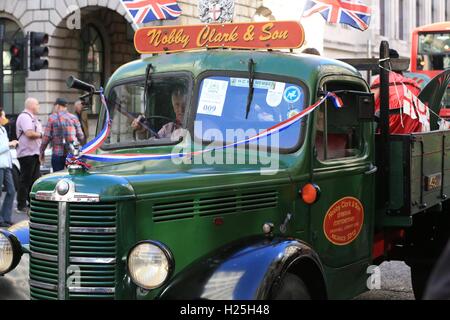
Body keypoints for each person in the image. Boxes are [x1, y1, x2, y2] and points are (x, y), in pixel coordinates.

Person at [370, 49, 425, 134]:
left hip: (387, 132)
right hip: (413, 132)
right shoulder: (413, 84)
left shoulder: (380, 81)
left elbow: (368, 105)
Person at [40, 98, 85, 172]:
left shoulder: (52, 118)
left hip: (57, 154)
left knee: (58, 177)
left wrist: (41, 151)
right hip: (72, 153)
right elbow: (81, 136)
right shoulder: (73, 118)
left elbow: (46, 137)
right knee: (73, 176)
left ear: (57, 106)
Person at [15, 98, 43, 213]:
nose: (39, 106)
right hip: (27, 154)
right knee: (25, 180)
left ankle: (32, 204)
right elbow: (29, 133)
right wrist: (42, 134)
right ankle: (21, 205)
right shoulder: (25, 117)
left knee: (34, 180)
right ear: (32, 105)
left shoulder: (33, 118)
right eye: (37, 104)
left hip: (34, 153)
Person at [0, 110, 18, 227]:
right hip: (1, 166)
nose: (5, 118)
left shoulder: (2, 129)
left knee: (11, 191)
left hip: (6, 165)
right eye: (3, 115)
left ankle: (5, 217)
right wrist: (10, 144)